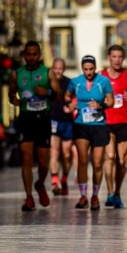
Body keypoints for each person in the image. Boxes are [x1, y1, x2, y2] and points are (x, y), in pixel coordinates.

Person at [8, 41, 62, 211]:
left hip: (43, 119)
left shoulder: (48, 72)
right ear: (24, 55)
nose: (31, 57)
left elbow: (58, 96)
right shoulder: (17, 74)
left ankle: (40, 184)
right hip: (25, 119)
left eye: (34, 54)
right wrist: (13, 99)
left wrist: (46, 92)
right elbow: (11, 93)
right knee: (26, 158)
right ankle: (29, 197)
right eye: (28, 54)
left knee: (43, 161)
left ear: (39, 55)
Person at [64, 55, 114, 210]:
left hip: (99, 125)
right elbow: (67, 96)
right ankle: (83, 195)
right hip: (81, 125)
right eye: (86, 69)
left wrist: (101, 105)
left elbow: (111, 101)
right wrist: (70, 104)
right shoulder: (75, 82)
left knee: (98, 162)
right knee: (83, 161)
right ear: (82, 68)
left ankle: (95, 196)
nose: (89, 72)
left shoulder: (103, 81)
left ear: (95, 67)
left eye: (91, 69)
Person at [101, 45, 127, 208]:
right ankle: (109, 193)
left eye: (120, 57)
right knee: (110, 157)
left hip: (124, 122)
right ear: (109, 57)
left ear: (123, 58)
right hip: (106, 122)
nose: (117, 60)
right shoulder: (100, 76)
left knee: (121, 160)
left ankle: (117, 192)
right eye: (114, 57)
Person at [49, 58, 75, 196]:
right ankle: (54, 181)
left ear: (63, 69)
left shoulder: (69, 83)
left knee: (66, 153)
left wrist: (72, 107)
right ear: (52, 68)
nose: (58, 71)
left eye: (60, 68)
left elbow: (75, 100)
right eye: (56, 68)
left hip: (67, 121)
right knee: (54, 150)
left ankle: (64, 179)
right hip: (53, 120)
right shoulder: (48, 83)